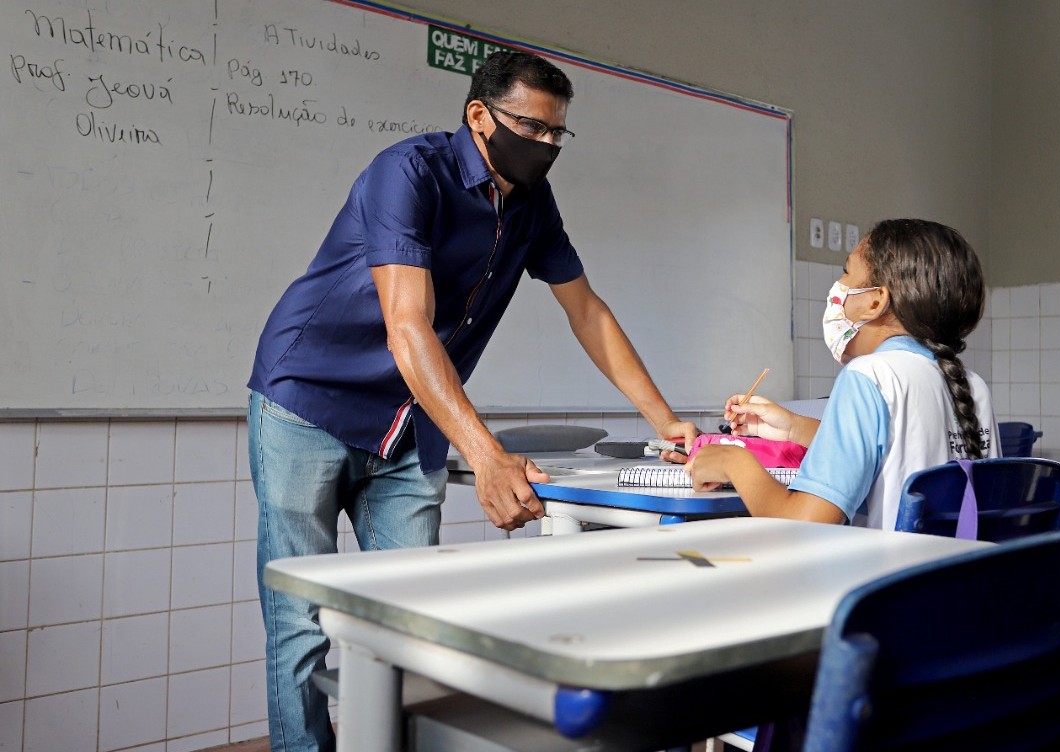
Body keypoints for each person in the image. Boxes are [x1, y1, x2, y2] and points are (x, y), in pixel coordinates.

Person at [246, 51, 697, 752]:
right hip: (309, 402)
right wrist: (486, 456)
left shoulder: (533, 204)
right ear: (479, 116)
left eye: (557, 135)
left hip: (410, 424)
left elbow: (589, 314)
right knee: (301, 622)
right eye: (532, 128)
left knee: (410, 618)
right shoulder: (408, 172)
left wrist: (669, 423)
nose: (545, 146)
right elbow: (408, 325)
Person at [685, 218, 998, 528]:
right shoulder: (973, 386)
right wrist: (793, 428)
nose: (839, 288)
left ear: (876, 301)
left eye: (846, 272)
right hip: (957, 574)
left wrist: (732, 462)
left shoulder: (869, 376)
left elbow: (804, 525)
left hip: (888, 575)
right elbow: (896, 451)